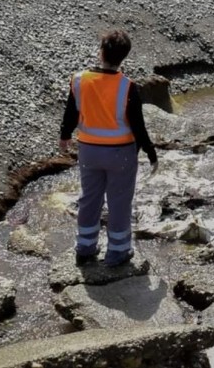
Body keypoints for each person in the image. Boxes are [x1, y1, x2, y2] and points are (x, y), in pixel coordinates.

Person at [59, 30, 158, 267]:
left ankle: (84, 248)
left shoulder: (80, 80)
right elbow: (138, 126)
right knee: (119, 202)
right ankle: (118, 251)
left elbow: (71, 112)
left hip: (89, 151)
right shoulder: (128, 87)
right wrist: (151, 153)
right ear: (123, 58)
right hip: (121, 154)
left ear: (100, 52)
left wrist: (64, 137)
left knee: (89, 199)